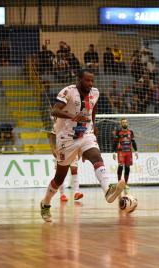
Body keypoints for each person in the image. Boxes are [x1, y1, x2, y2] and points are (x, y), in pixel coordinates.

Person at [40, 69, 126, 222]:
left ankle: (108, 190)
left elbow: (92, 110)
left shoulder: (95, 93)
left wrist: (92, 127)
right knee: (59, 178)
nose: (91, 83)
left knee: (96, 156)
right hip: (66, 138)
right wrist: (73, 116)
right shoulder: (68, 91)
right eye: (87, 80)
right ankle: (45, 203)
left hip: (86, 133)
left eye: (92, 81)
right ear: (79, 79)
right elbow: (54, 110)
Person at [49, 118, 83, 202]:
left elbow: (80, 138)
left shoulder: (74, 124)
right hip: (61, 151)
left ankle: (76, 192)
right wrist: (53, 149)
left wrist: (80, 150)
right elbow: (51, 137)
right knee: (61, 173)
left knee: (74, 169)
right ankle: (62, 194)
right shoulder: (56, 125)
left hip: (73, 149)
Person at [113, 118, 138, 194]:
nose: (124, 123)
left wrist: (136, 151)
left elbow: (133, 142)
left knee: (127, 167)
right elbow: (115, 142)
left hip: (129, 152)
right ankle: (119, 183)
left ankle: (126, 184)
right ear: (121, 124)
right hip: (121, 152)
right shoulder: (118, 132)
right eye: (123, 122)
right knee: (120, 166)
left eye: (126, 122)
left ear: (127, 123)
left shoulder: (131, 132)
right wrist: (114, 152)